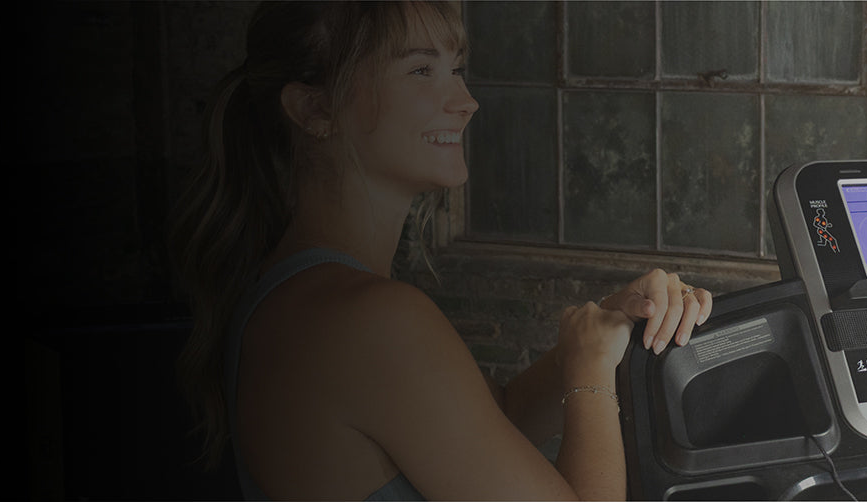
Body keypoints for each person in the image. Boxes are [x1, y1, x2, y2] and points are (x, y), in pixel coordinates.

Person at [168, 2, 711, 499]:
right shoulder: (368, 321)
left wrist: (606, 325)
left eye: (455, 69)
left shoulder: (292, 291)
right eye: (421, 70)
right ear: (314, 108)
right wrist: (590, 369)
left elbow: (494, 418)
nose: (466, 102)